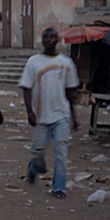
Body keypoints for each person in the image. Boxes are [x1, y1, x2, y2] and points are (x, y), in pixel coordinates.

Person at [19, 27, 79, 199]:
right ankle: (33, 168)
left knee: (61, 153)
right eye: (46, 36)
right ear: (42, 39)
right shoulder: (33, 62)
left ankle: (58, 187)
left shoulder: (66, 63)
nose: (49, 39)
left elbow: (70, 93)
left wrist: (74, 117)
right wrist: (29, 111)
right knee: (38, 151)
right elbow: (26, 87)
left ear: (58, 40)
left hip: (61, 116)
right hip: (40, 116)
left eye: (53, 37)